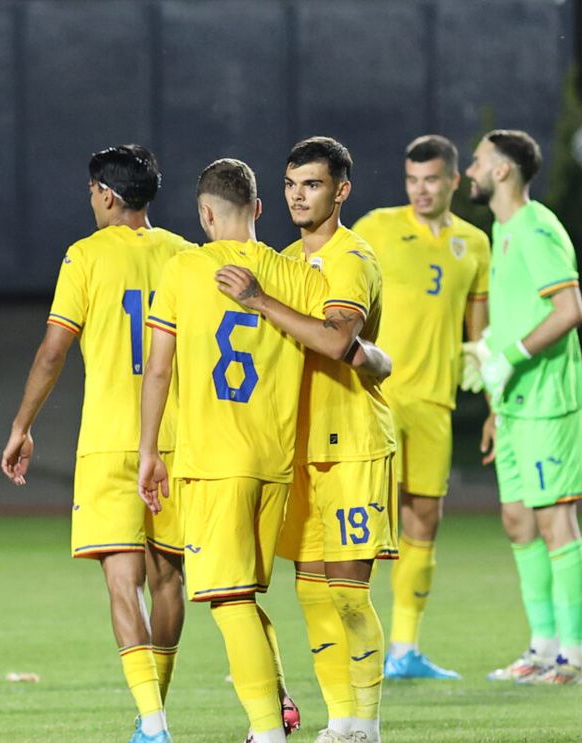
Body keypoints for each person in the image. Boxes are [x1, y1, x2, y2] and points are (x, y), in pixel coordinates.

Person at [140, 158, 338, 742]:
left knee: (226, 601)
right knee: (243, 595)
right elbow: (331, 339)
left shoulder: (184, 270)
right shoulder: (295, 273)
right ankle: (278, 709)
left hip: (212, 462)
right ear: (258, 208)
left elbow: (158, 369)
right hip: (274, 464)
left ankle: (266, 732)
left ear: (204, 213)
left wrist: (150, 450)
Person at [2, 145, 190, 743]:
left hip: (112, 440)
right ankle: (152, 712)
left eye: (91, 192)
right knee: (168, 581)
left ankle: (153, 724)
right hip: (176, 441)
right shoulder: (187, 255)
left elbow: (54, 349)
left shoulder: (85, 256)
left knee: (120, 581)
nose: (91, 201)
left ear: (107, 194)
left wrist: (22, 425)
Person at [221, 137, 396, 743]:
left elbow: (333, 340)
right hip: (300, 451)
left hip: (350, 443)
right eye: (292, 185)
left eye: (313, 185)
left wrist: (260, 300)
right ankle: (341, 721)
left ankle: (368, 726)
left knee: (350, 593)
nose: (299, 195)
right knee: (313, 593)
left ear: (341, 191)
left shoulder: (352, 259)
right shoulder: (285, 258)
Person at [351, 135, 490, 680]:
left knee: (424, 520)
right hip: (378, 398)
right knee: (360, 524)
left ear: (453, 181)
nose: (421, 190)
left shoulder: (475, 244)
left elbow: (477, 332)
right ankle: (341, 646)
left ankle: (404, 650)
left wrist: (493, 404)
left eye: (431, 179)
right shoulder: (377, 227)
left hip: (435, 403)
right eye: (412, 179)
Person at [464, 129, 582, 685]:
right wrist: (496, 404)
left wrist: (509, 357)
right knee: (518, 521)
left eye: (476, 162)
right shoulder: (503, 228)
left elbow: (570, 310)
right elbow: (516, 315)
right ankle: (541, 648)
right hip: (516, 406)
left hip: (549, 402)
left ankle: (575, 656)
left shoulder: (538, 230)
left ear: (501, 171)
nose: (469, 171)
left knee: (555, 520)